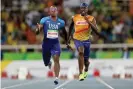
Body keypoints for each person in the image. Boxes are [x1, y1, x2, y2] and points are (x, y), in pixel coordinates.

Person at [67, 3, 107, 81]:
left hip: (86, 40)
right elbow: (70, 27)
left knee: (86, 61)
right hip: (77, 39)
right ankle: (80, 73)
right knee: (80, 52)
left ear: (87, 9)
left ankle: (86, 70)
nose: (83, 10)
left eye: (85, 8)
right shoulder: (75, 17)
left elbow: (97, 32)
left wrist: (88, 21)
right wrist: (68, 37)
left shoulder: (91, 18)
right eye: (82, 8)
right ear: (80, 9)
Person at [35, 6, 69, 85]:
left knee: (56, 59)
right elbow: (37, 32)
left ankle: (56, 77)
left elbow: (64, 33)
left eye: (54, 11)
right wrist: (38, 29)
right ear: (49, 12)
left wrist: (67, 41)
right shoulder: (44, 20)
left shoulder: (61, 22)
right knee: (46, 62)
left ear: (57, 12)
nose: (53, 12)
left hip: (55, 43)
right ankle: (48, 63)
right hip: (46, 44)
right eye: (51, 11)